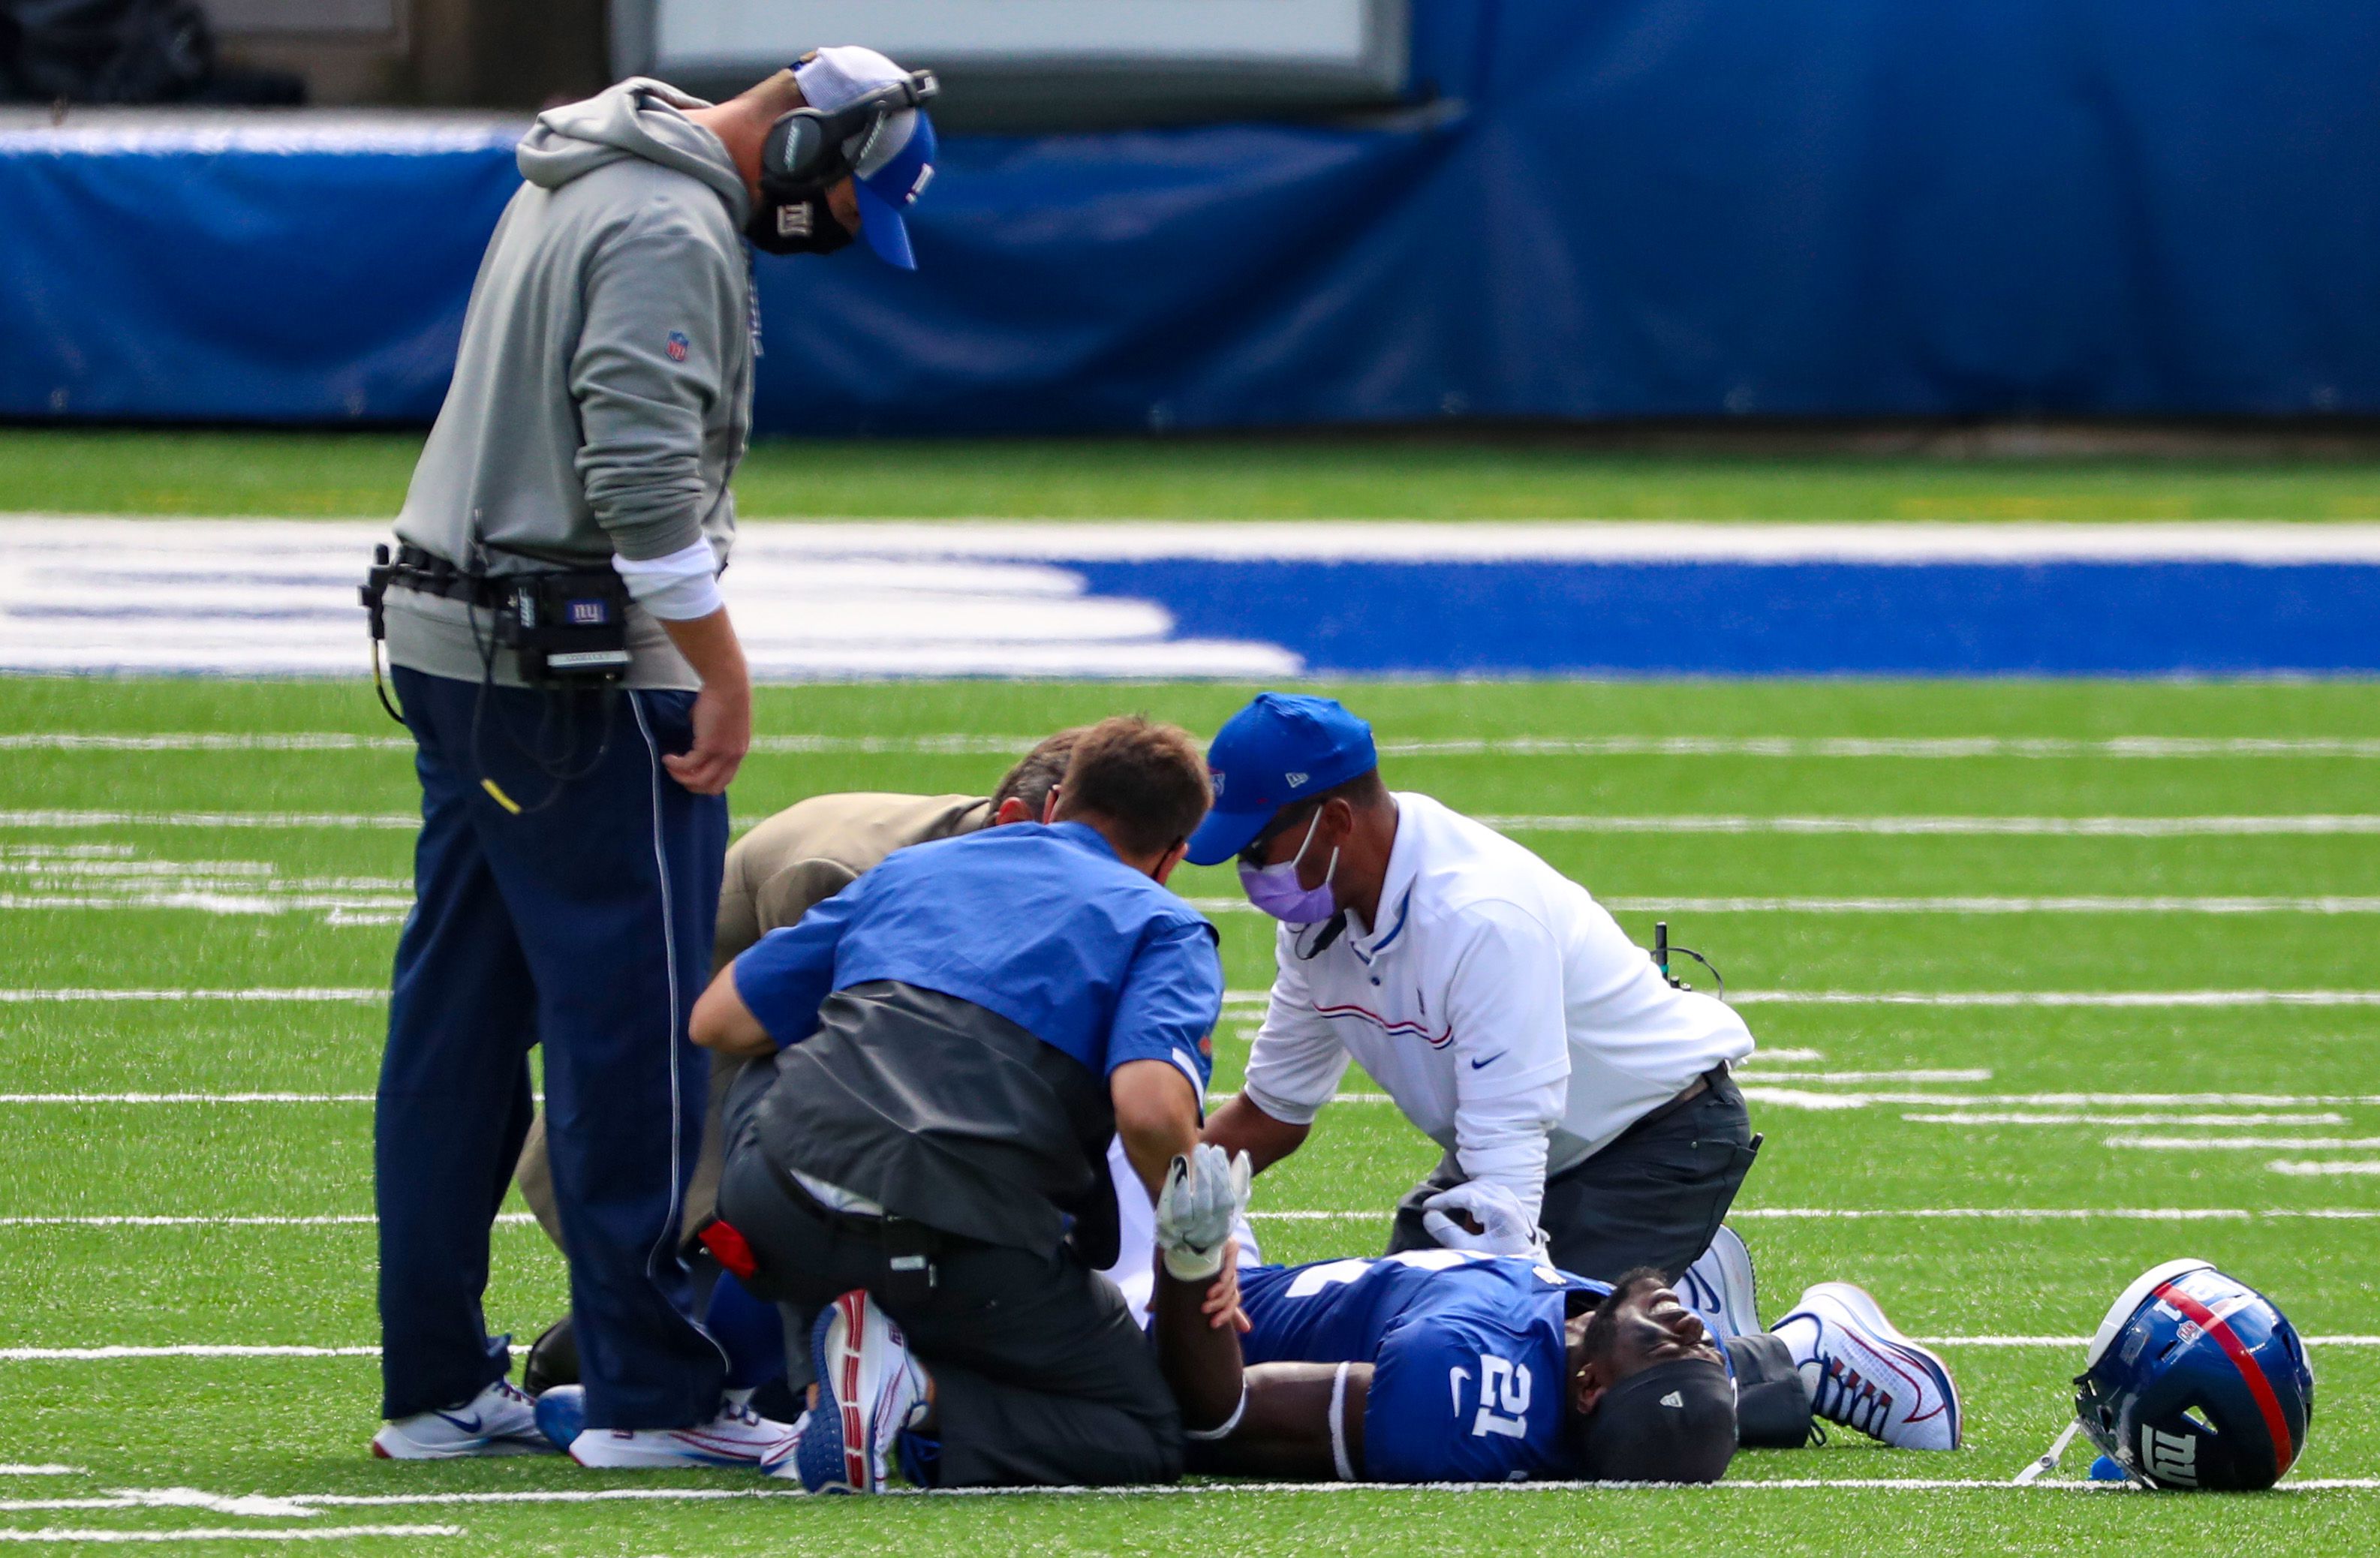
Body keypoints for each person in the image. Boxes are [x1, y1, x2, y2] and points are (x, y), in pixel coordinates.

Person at [366, 46, 940, 1464]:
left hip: (460, 650)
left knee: (458, 1022)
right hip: (574, 683)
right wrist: (723, 677)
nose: (835, 237)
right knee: (636, 1033)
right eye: (852, 205)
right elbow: (637, 482)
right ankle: (653, 1396)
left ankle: (436, 1384)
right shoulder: (672, 222)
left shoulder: (587, 167)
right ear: (807, 149)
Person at [686, 716, 1227, 1490]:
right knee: (1140, 1432)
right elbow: (1147, 1108)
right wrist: (1198, 1241)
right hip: (960, 1240)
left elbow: (721, 1021)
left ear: (1056, 798)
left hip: (778, 1206)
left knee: (780, 1067)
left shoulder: (915, 870)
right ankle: (911, 1397)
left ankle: (829, 1371)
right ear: (1172, 856)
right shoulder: (1161, 923)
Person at [1193, 693, 1760, 1288]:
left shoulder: (1480, 916)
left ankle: (1802, 1350)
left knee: (1555, 1363)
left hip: (1654, 1140)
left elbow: (1507, 1163)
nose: (1248, 871)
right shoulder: (1316, 923)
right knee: (1386, 1336)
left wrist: (1503, 1310)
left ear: (1335, 822)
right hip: (1520, 1150)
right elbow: (1272, 1112)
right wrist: (1137, 1188)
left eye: (1257, 848)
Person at [1148, 1159, 1962, 1487]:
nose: (1682, 1327)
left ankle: (1798, 1354)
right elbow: (1667, 1392)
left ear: (1585, 1386)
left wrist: (1189, 1257)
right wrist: (1515, 1262)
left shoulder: (1464, 1389)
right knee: (1684, 1386)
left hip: (1174, 1310)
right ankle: (1798, 1354)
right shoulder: (1602, 1351)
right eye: (1699, 1341)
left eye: (1664, 1340)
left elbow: (1219, 1413)